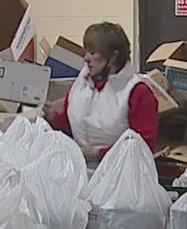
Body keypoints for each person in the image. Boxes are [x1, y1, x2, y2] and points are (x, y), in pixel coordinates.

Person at [46, 22, 161, 164]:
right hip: (81, 172)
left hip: (119, 176)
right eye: (86, 51)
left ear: (113, 57)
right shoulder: (81, 84)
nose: (86, 58)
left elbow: (142, 148)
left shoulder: (138, 92)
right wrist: (53, 117)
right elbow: (73, 123)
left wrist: (99, 154)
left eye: (93, 53)